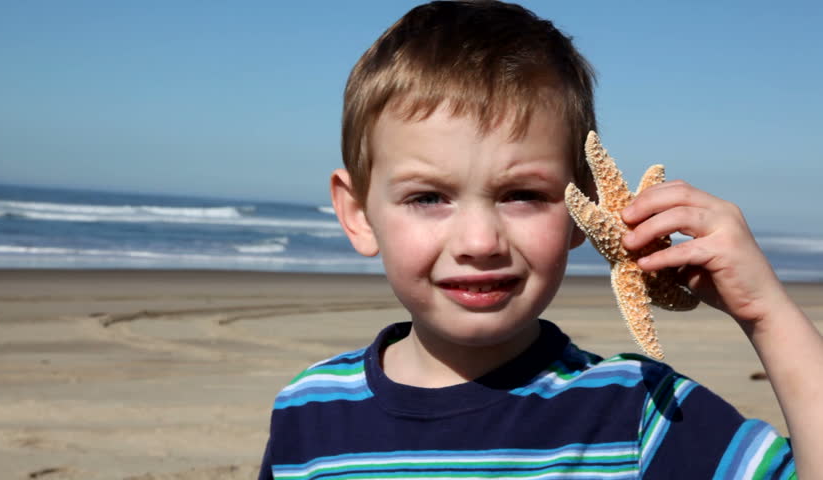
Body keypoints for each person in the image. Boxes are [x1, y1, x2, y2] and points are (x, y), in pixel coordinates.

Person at [258, 1, 823, 478]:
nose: (481, 241)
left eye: (522, 194)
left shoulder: (639, 412)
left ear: (582, 210)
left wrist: (767, 315)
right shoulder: (308, 413)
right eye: (428, 197)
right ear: (357, 214)